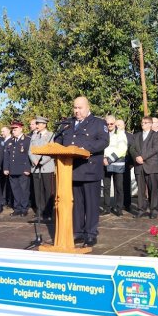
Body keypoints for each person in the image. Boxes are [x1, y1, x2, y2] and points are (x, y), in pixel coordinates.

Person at [56, 96, 109, 247]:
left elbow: (104, 141)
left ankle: (91, 233)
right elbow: (58, 140)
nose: (76, 111)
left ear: (87, 107)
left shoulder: (98, 123)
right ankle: (78, 232)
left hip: (90, 169)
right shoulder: (67, 124)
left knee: (91, 204)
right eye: (75, 108)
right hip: (71, 170)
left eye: (79, 108)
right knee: (76, 204)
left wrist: (86, 149)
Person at [129, 116, 158, 219]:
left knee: (153, 189)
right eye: (142, 122)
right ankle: (141, 209)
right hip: (139, 165)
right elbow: (132, 148)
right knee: (141, 189)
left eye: (145, 122)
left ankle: (153, 209)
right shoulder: (136, 135)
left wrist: (143, 157)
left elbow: (155, 149)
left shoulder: (156, 135)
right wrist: (136, 157)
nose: (143, 124)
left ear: (151, 124)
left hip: (151, 165)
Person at [29, 116, 55, 222]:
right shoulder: (34, 135)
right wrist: (34, 160)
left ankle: (48, 213)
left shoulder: (51, 135)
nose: (37, 125)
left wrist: (41, 162)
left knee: (48, 191)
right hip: (35, 167)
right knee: (38, 191)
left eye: (39, 123)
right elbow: (30, 150)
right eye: (37, 123)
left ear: (44, 124)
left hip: (46, 167)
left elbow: (52, 151)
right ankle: (40, 212)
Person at [3, 121, 31, 217]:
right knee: (15, 190)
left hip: (23, 169)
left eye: (15, 130)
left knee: (24, 190)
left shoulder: (27, 140)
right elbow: (6, 156)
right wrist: (6, 168)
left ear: (20, 129)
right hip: (12, 169)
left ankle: (24, 208)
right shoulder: (10, 141)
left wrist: (27, 168)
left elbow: (29, 155)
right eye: (12, 130)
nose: (13, 131)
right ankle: (17, 208)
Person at [102, 115, 128, 217]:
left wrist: (109, 159)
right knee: (106, 187)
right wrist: (103, 159)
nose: (109, 125)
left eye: (111, 123)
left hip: (117, 164)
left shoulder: (121, 133)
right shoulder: (103, 133)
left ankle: (119, 208)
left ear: (114, 123)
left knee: (119, 188)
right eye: (107, 124)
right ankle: (106, 208)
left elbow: (122, 148)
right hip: (105, 164)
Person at [116, 118, 134, 212]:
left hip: (126, 164)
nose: (117, 126)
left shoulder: (130, 136)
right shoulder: (113, 135)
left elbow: (132, 150)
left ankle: (127, 204)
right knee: (118, 185)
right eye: (116, 124)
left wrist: (131, 164)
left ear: (124, 125)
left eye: (119, 124)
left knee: (126, 184)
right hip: (115, 163)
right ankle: (119, 204)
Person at [0, 125, 14, 209]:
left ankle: (10, 201)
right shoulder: (2, 140)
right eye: (1, 131)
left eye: (3, 131)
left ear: (9, 131)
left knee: (9, 185)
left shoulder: (11, 140)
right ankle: (4, 199)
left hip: (9, 166)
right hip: (1, 166)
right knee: (3, 184)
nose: (2, 133)